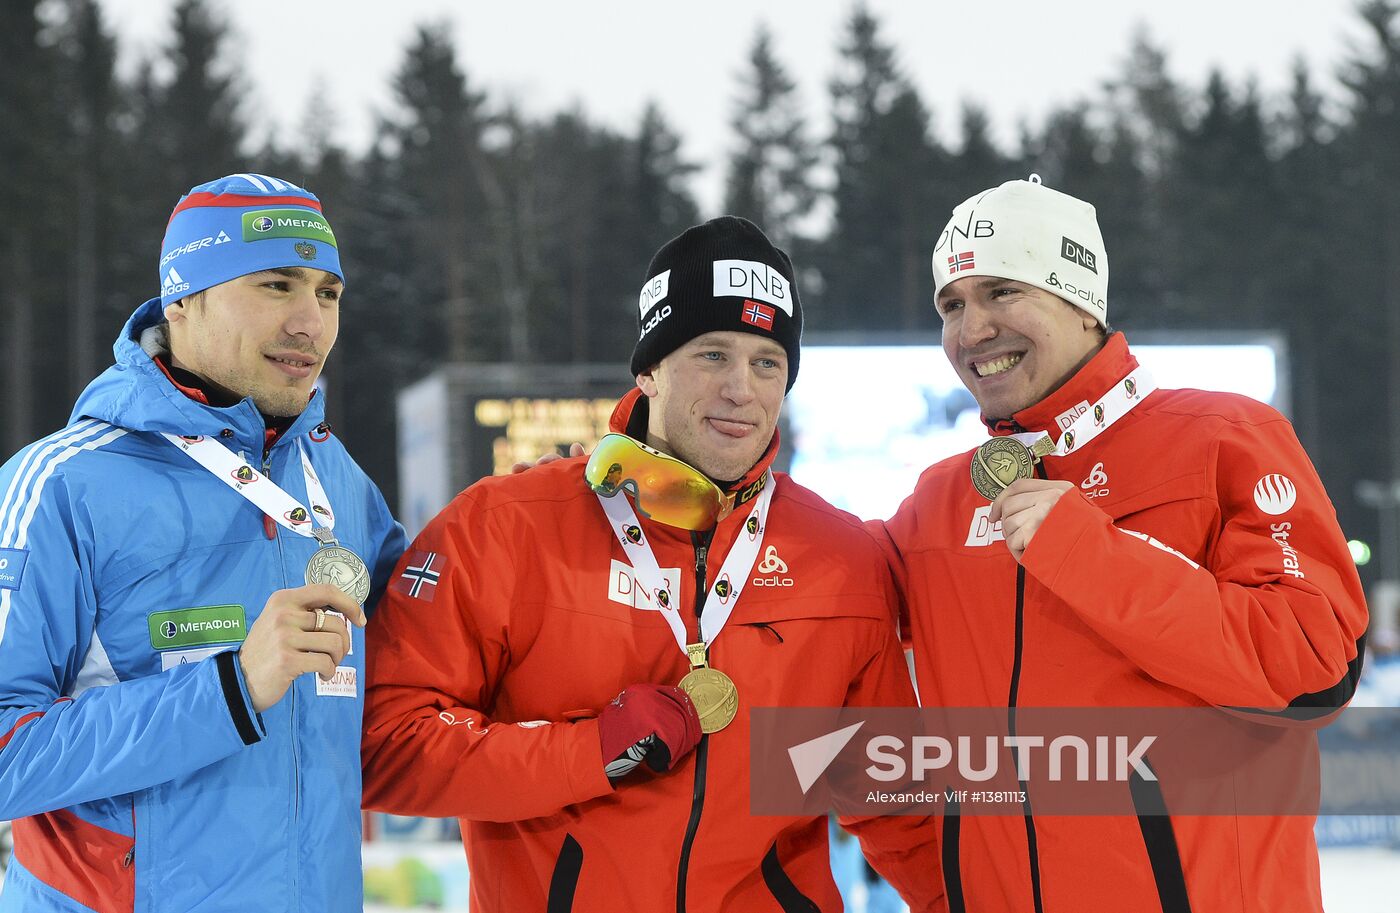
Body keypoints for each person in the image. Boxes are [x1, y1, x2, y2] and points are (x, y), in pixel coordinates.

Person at [361, 217, 943, 911]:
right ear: (650, 367)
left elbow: (895, 807)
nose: (741, 389)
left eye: (767, 362)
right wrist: (591, 749)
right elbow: (387, 749)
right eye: (711, 354)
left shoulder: (839, 558)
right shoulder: (507, 527)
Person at [883, 175, 1369, 912]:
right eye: (952, 304)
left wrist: (1087, 553)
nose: (970, 329)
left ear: (1080, 300)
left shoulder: (1224, 439)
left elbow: (1312, 672)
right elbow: (810, 603)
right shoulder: (939, 500)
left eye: (1002, 292)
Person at [0, 173, 405, 912]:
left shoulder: (335, 475)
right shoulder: (61, 484)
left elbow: (426, 651)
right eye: (278, 285)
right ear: (183, 298)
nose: (311, 322)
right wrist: (229, 687)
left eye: (328, 293)